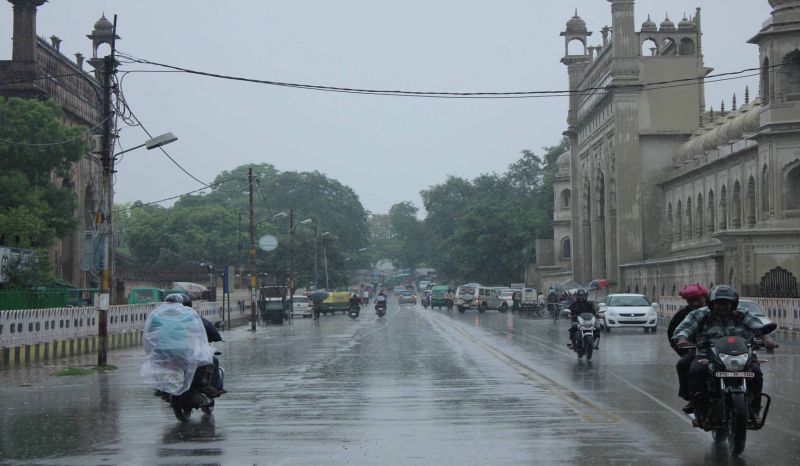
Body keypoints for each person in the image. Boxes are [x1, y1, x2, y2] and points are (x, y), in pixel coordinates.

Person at [673, 285, 775, 419]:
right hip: (707, 355)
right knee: (696, 371)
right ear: (711, 304)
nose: (722, 307)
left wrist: (767, 339)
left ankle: (754, 406)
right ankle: (699, 404)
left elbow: (759, 327)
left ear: (733, 304)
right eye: (718, 304)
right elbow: (685, 329)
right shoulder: (699, 314)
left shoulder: (742, 314)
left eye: (726, 304)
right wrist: (682, 339)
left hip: (741, 355)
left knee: (755, 372)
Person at [668, 284, 708, 413]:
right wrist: (685, 349)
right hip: (701, 350)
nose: (695, 303)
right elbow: (675, 334)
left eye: (698, 300)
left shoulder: (734, 313)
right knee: (684, 364)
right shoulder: (686, 316)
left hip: (729, 351)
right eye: (692, 301)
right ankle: (692, 397)